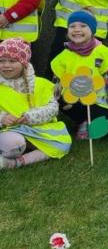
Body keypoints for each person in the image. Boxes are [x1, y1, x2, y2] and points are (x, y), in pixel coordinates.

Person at [0, 38, 71, 170]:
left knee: (62, 145)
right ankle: (18, 148)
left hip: (38, 129)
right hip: (9, 130)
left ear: (24, 63)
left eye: (12, 61)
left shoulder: (40, 84)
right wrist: (2, 118)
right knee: (12, 144)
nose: (6, 65)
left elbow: (52, 108)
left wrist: (30, 116)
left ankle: (16, 162)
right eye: (1, 61)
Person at [51, 10, 108, 138]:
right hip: (73, 101)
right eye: (72, 26)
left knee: (102, 129)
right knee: (66, 103)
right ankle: (82, 121)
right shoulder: (62, 57)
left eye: (83, 26)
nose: (77, 30)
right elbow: (56, 87)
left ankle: (92, 123)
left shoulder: (104, 54)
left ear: (92, 30)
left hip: (98, 102)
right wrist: (51, 111)